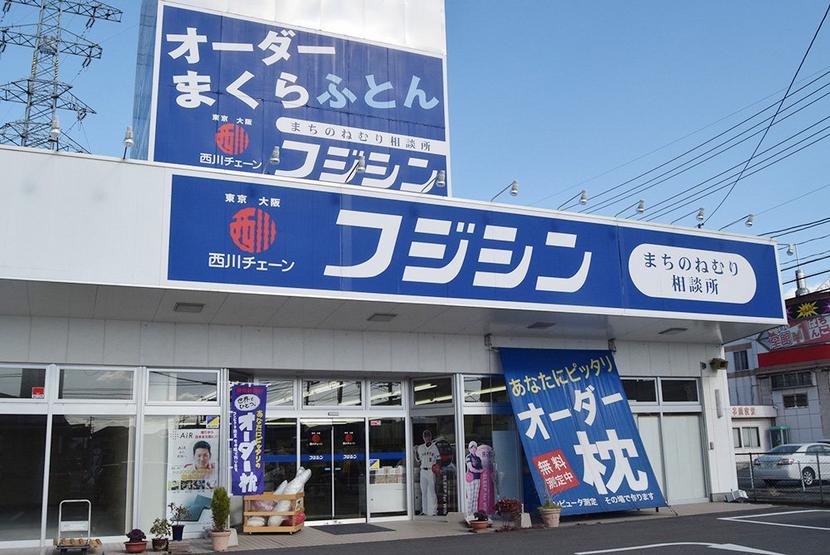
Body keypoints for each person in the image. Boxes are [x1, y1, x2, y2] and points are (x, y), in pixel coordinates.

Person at [415, 429, 440, 516]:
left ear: (430, 437)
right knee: (424, 491)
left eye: (428, 436)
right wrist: (415, 451)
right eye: (425, 436)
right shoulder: (420, 448)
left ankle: (434, 511)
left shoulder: (434, 447)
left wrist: (437, 470)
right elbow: (418, 460)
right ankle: (424, 511)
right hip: (423, 470)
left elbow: (438, 459)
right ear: (423, 437)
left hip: (431, 470)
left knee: (432, 491)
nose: (427, 438)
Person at [465, 441, 482, 517]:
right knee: (470, 497)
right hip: (470, 479)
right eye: (471, 447)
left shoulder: (478, 458)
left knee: (476, 497)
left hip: (477, 478)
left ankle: (474, 513)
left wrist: (479, 470)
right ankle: (468, 513)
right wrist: (479, 471)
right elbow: (471, 468)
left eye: (474, 447)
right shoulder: (468, 457)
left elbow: (482, 468)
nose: (473, 449)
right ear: (469, 449)